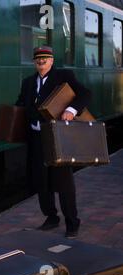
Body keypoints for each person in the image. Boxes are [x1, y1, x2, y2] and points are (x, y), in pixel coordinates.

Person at [15, 46, 92, 238]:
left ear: (51, 60)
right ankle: (51, 217)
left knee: (64, 182)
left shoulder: (64, 76)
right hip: (36, 138)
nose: (41, 61)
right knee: (41, 182)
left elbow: (85, 94)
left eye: (45, 58)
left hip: (57, 139)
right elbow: (20, 104)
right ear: (34, 62)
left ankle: (72, 223)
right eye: (38, 59)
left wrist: (72, 110)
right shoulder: (28, 82)